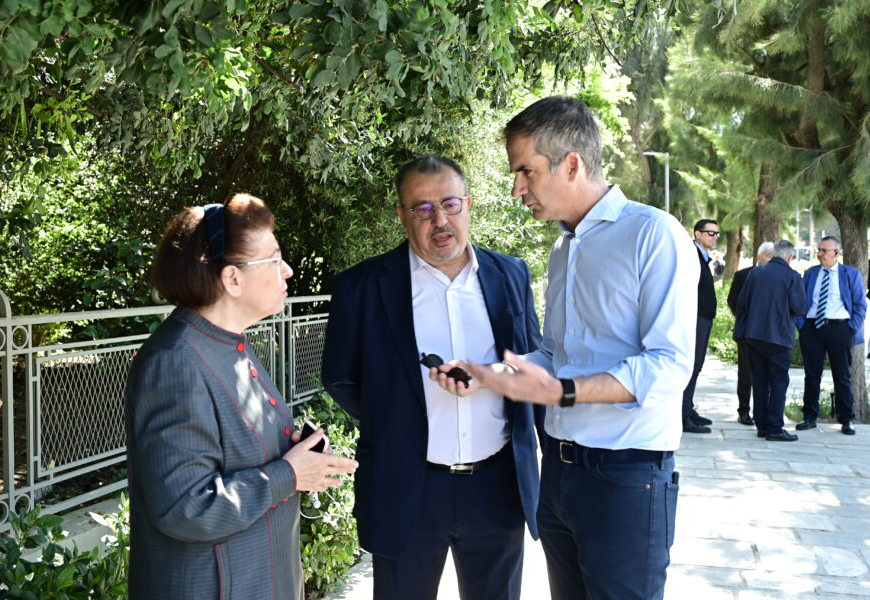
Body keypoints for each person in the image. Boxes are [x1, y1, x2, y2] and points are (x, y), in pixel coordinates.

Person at [431, 97, 698, 600]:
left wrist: (564, 392)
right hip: (558, 473)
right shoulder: (564, 248)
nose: (517, 188)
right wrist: (487, 375)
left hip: (627, 477)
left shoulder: (653, 234)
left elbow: (669, 366)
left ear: (571, 164)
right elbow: (554, 355)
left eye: (526, 171)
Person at [321, 155, 544, 600]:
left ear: (468, 205)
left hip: (497, 486)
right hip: (407, 486)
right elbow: (340, 377)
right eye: (422, 208)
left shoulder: (510, 274)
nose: (439, 220)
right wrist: (399, 417)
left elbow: (534, 359)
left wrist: (493, 376)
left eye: (450, 204)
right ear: (401, 215)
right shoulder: (361, 286)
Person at [125, 194, 358, 600]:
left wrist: (298, 457)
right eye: (274, 259)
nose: (287, 270)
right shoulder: (175, 361)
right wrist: (289, 474)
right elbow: (185, 508)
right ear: (232, 279)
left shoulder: (228, 342)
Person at [734, 239, 806, 441]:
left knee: (759, 380)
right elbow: (799, 308)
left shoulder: (756, 273)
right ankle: (774, 427)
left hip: (754, 335)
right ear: (790, 257)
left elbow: (741, 303)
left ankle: (762, 425)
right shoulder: (792, 276)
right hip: (779, 337)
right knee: (778, 383)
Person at [794, 236, 866, 435]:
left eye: (824, 250)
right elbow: (799, 301)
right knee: (812, 375)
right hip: (812, 329)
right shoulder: (810, 273)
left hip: (840, 329)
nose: (820, 254)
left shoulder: (850, 274)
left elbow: (860, 304)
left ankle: (846, 419)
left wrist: (851, 328)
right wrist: (802, 325)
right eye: (818, 250)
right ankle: (809, 417)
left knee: (842, 376)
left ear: (837, 252)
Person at [726, 241, 775, 425]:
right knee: (746, 374)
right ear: (758, 256)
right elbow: (733, 301)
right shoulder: (743, 275)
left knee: (767, 374)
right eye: (769, 255)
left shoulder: (777, 276)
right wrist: (746, 320)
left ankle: (762, 411)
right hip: (747, 332)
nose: (772, 260)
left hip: (769, 333)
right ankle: (744, 411)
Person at [682, 218, 721, 433]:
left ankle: (688, 408)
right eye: (710, 233)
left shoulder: (702, 256)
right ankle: (683, 415)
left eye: (717, 234)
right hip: (693, 318)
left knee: (696, 365)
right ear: (698, 234)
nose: (715, 237)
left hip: (702, 318)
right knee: (691, 365)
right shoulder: (690, 254)